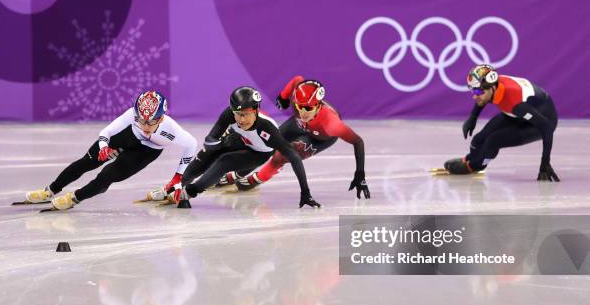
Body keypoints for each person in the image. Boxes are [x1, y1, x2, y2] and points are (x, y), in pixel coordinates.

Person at [24, 91, 197, 210]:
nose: (145, 126)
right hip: (127, 136)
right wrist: (104, 146)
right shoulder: (132, 115)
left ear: (161, 118)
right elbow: (106, 132)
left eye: (150, 122)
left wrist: (178, 176)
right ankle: (50, 191)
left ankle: (74, 198)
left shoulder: (172, 130)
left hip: (146, 151)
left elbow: (192, 145)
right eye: (140, 120)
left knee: (107, 175)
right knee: (87, 162)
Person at [217, 76, 370, 199]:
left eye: (308, 108)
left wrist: (360, 174)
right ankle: (239, 172)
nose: (303, 112)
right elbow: (297, 79)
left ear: (318, 105)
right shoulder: (298, 99)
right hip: (298, 125)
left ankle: (257, 179)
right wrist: (283, 97)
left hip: (319, 137)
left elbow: (358, 141)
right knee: (266, 142)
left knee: (282, 155)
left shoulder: (332, 124)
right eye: (298, 106)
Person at [169, 86, 320, 208]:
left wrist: (305, 192)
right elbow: (210, 140)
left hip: (258, 153)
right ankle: (176, 185)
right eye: (238, 114)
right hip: (241, 140)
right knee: (209, 153)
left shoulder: (267, 129)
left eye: (247, 114)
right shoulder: (229, 114)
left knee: (224, 161)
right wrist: (222, 143)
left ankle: (189, 192)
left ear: (256, 111)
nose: (242, 119)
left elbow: (293, 156)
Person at [444, 64, 559, 181]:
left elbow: (546, 127)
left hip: (541, 122)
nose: (475, 96)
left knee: (493, 140)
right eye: (473, 91)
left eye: (478, 92)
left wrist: (545, 164)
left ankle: (475, 166)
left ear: (492, 88)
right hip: (517, 115)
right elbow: (483, 98)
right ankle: (470, 159)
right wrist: (473, 117)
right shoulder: (493, 87)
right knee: (478, 139)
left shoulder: (516, 103)